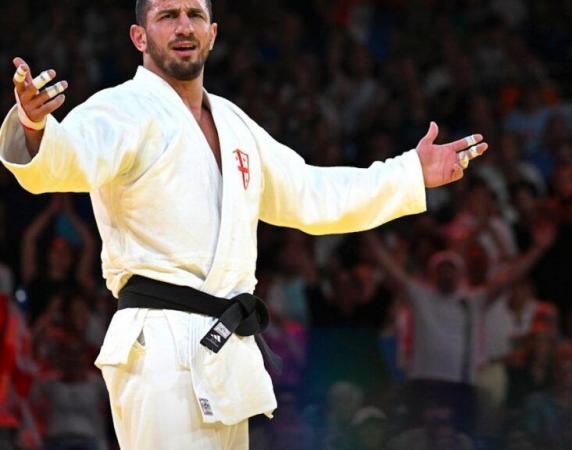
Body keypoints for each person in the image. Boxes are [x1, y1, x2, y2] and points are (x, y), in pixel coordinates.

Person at [0, 0, 489, 449]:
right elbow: (67, 161)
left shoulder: (235, 124)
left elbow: (311, 195)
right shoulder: (122, 109)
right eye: (167, 15)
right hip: (159, 348)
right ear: (139, 37)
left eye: (194, 14)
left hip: (226, 348)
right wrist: (35, 127)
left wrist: (408, 172)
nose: (184, 26)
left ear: (212, 34)